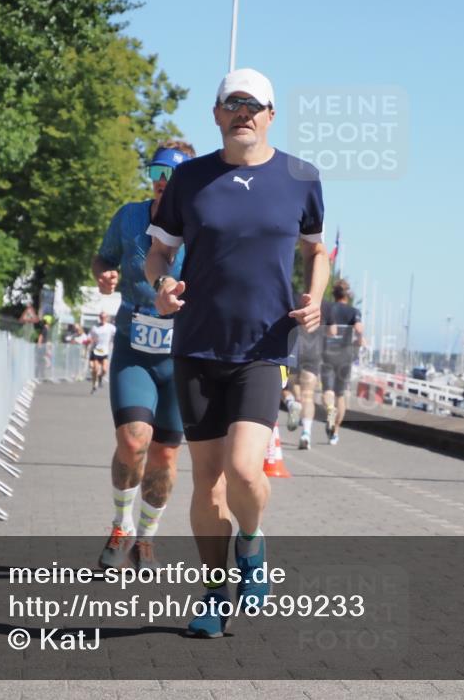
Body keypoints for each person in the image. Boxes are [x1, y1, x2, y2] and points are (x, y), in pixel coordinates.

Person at [145, 68, 328, 638]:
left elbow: (318, 250)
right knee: (207, 484)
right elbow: (157, 254)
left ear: (272, 114)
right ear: (217, 114)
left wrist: (315, 297)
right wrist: (162, 286)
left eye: (254, 105)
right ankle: (214, 593)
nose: (243, 113)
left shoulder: (301, 177)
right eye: (233, 104)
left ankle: (251, 544)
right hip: (196, 345)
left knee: (246, 471)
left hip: (263, 346)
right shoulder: (191, 179)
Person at [91, 140, 193, 571]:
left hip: (182, 354)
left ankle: (147, 537)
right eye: (156, 174)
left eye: (173, 177)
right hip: (134, 347)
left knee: (165, 457)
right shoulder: (130, 217)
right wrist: (105, 276)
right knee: (133, 441)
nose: (163, 184)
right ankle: (121, 526)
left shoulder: (202, 228)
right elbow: (102, 259)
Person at [321, 279, 364, 445]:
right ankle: (335, 433)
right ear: (347, 294)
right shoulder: (354, 311)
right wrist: (360, 340)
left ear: (334, 293)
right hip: (345, 355)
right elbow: (359, 329)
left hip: (328, 354)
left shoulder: (328, 308)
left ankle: (330, 412)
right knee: (341, 395)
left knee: (328, 391)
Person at [295, 294, 331, 450]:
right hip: (314, 352)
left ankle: (293, 404)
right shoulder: (327, 305)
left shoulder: (294, 298)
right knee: (308, 395)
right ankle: (306, 433)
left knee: (292, 386)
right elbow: (333, 331)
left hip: (294, 349)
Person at [87, 311, 116, 393]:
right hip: (96, 350)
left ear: (107, 318)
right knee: (95, 369)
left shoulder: (111, 327)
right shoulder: (95, 327)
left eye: (104, 317)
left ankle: (100, 378)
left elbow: (117, 335)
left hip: (105, 351)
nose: (102, 318)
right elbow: (89, 336)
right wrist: (89, 340)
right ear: (99, 318)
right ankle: (94, 384)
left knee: (104, 370)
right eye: (101, 317)